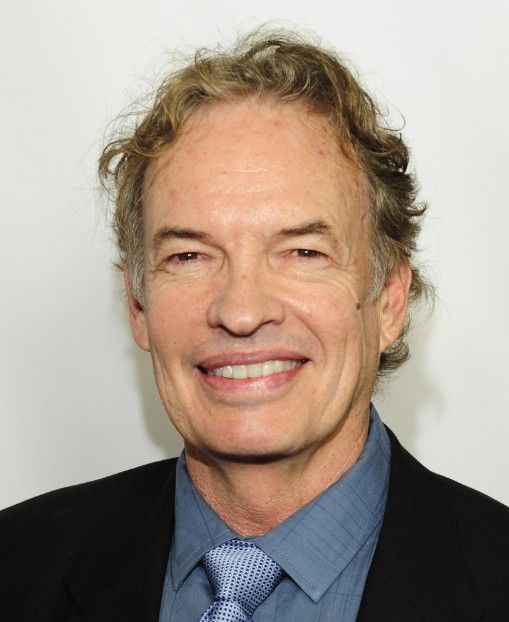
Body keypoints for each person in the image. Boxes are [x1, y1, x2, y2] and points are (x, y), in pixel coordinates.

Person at [1, 29, 508, 622]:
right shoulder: (17, 567)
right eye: (189, 256)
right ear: (139, 306)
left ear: (389, 300)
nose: (241, 313)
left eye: (303, 252)